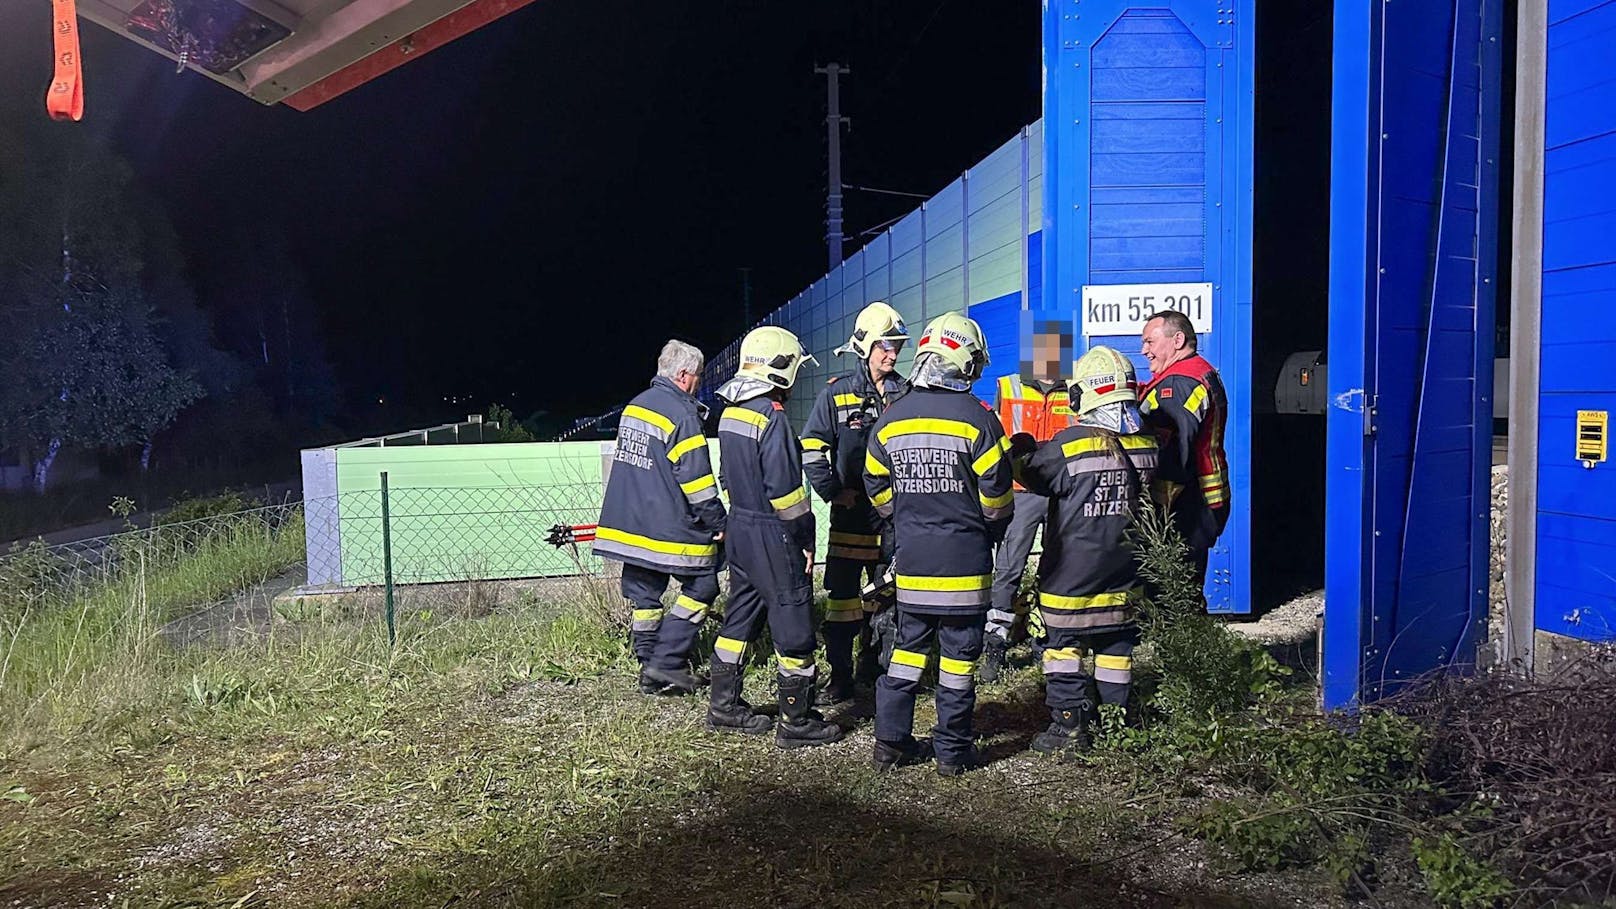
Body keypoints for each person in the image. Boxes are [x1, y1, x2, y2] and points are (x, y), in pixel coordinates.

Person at [864, 312, 1013, 776]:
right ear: (965, 362)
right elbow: (997, 499)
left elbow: (875, 484)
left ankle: (890, 743)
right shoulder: (979, 420)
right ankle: (952, 752)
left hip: (911, 563)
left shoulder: (891, 418)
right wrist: (983, 526)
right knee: (958, 661)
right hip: (964, 566)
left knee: (906, 654)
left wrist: (903, 517)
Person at [1016, 346, 1158, 753]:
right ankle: (1116, 724)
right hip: (1127, 571)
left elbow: (1034, 474)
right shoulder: (1148, 442)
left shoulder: (1072, 444)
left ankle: (1068, 728)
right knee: (1117, 648)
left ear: (1086, 395)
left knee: (1063, 649)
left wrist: (1021, 450)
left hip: (1071, 575)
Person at [708, 326, 843, 748]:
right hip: (773, 532)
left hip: (741, 529)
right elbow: (788, 496)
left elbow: (728, 478)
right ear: (780, 366)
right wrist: (805, 539)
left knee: (740, 617)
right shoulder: (772, 417)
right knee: (794, 623)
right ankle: (795, 721)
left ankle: (723, 705)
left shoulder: (730, 412)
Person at [592, 340, 726, 696]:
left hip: (630, 524)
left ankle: (648, 665)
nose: (699, 383)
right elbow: (697, 483)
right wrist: (719, 523)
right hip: (667, 526)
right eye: (698, 376)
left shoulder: (635, 406)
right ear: (683, 376)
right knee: (703, 586)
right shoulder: (682, 415)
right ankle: (666, 660)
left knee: (645, 595)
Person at [801, 301, 910, 703]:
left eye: (896, 345)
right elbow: (812, 448)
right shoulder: (837, 394)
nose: (892, 353)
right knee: (843, 605)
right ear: (865, 346)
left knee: (887, 602)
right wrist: (832, 491)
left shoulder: (907, 393)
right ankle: (842, 676)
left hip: (893, 522)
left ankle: (879, 673)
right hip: (851, 522)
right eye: (885, 345)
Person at [981, 319, 1076, 682]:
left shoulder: (1074, 388)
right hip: (1021, 492)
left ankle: (1047, 637)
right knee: (1008, 568)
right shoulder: (1008, 386)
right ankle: (996, 643)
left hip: (1060, 493)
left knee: (1059, 566)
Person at [1138, 311, 1230, 592]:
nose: (1144, 351)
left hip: (1183, 506)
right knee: (1184, 585)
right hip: (1197, 501)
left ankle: (1179, 636)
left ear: (1177, 340)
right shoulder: (1197, 372)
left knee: (1172, 590)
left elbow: (1176, 452)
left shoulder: (1179, 383)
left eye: (1150, 342)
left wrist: (1152, 509)